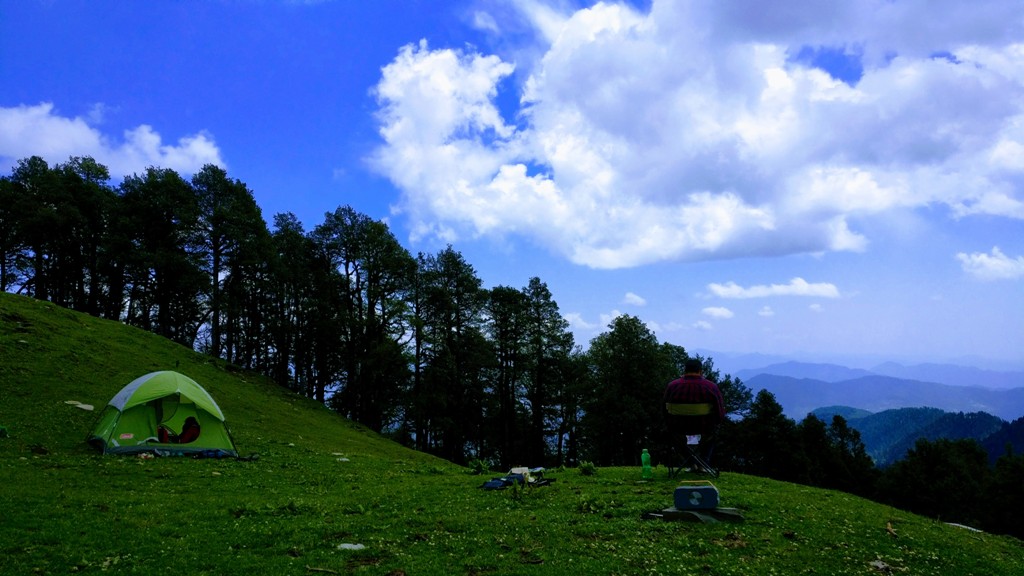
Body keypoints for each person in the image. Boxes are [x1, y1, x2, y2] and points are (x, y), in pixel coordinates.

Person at [664, 358, 726, 463]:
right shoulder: (711, 387)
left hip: (678, 427)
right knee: (713, 433)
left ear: (685, 370)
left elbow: (664, 411)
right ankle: (703, 462)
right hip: (705, 427)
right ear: (700, 371)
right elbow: (719, 413)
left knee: (674, 436)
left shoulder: (672, 386)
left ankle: (692, 462)